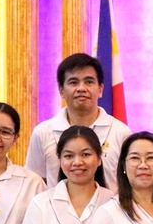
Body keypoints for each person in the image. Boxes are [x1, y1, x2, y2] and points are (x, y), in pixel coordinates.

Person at [25, 53, 131, 191]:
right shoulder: (43, 132)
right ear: (61, 91)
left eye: (89, 82)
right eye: (73, 82)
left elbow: (130, 183)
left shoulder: (121, 132)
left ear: (100, 89)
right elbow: (35, 182)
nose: (81, 88)